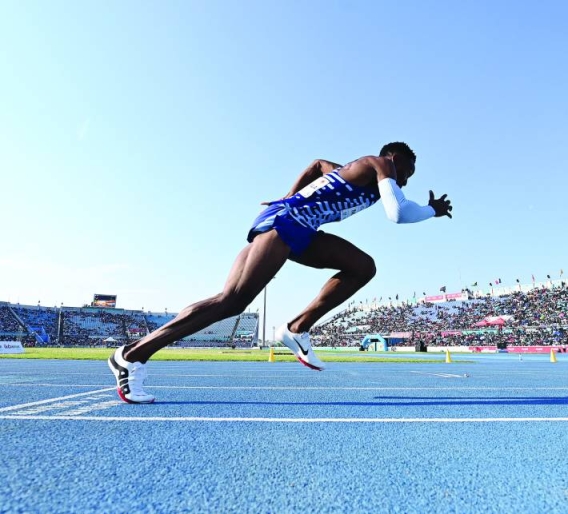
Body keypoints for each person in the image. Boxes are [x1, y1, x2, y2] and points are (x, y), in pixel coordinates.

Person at [108, 142, 452, 403]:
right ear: (394, 158)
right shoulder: (379, 165)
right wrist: (432, 210)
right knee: (230, 303)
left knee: (363, 267)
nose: (406, 179)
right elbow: (398, 213)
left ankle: (297, 329)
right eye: (407, 171)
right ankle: (132, 356)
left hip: (298, 229)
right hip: (285, 225)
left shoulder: (350, 170)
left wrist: (289, 195)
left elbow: (318, 164)